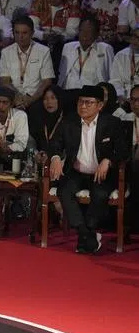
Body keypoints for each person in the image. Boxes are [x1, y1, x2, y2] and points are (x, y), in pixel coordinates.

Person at [48, 85, 127, 254]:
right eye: (80, 102)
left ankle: (86, 234)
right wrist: (55, 158)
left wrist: (108, 160)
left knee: (99, 193)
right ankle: (87, 235)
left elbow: (123, 150)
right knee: (64, 191)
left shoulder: (112, 123)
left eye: (89, 103)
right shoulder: (69, 122)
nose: (83, 106)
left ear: (100, 105)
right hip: (77, 172)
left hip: (101, 174)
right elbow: (54, 143)